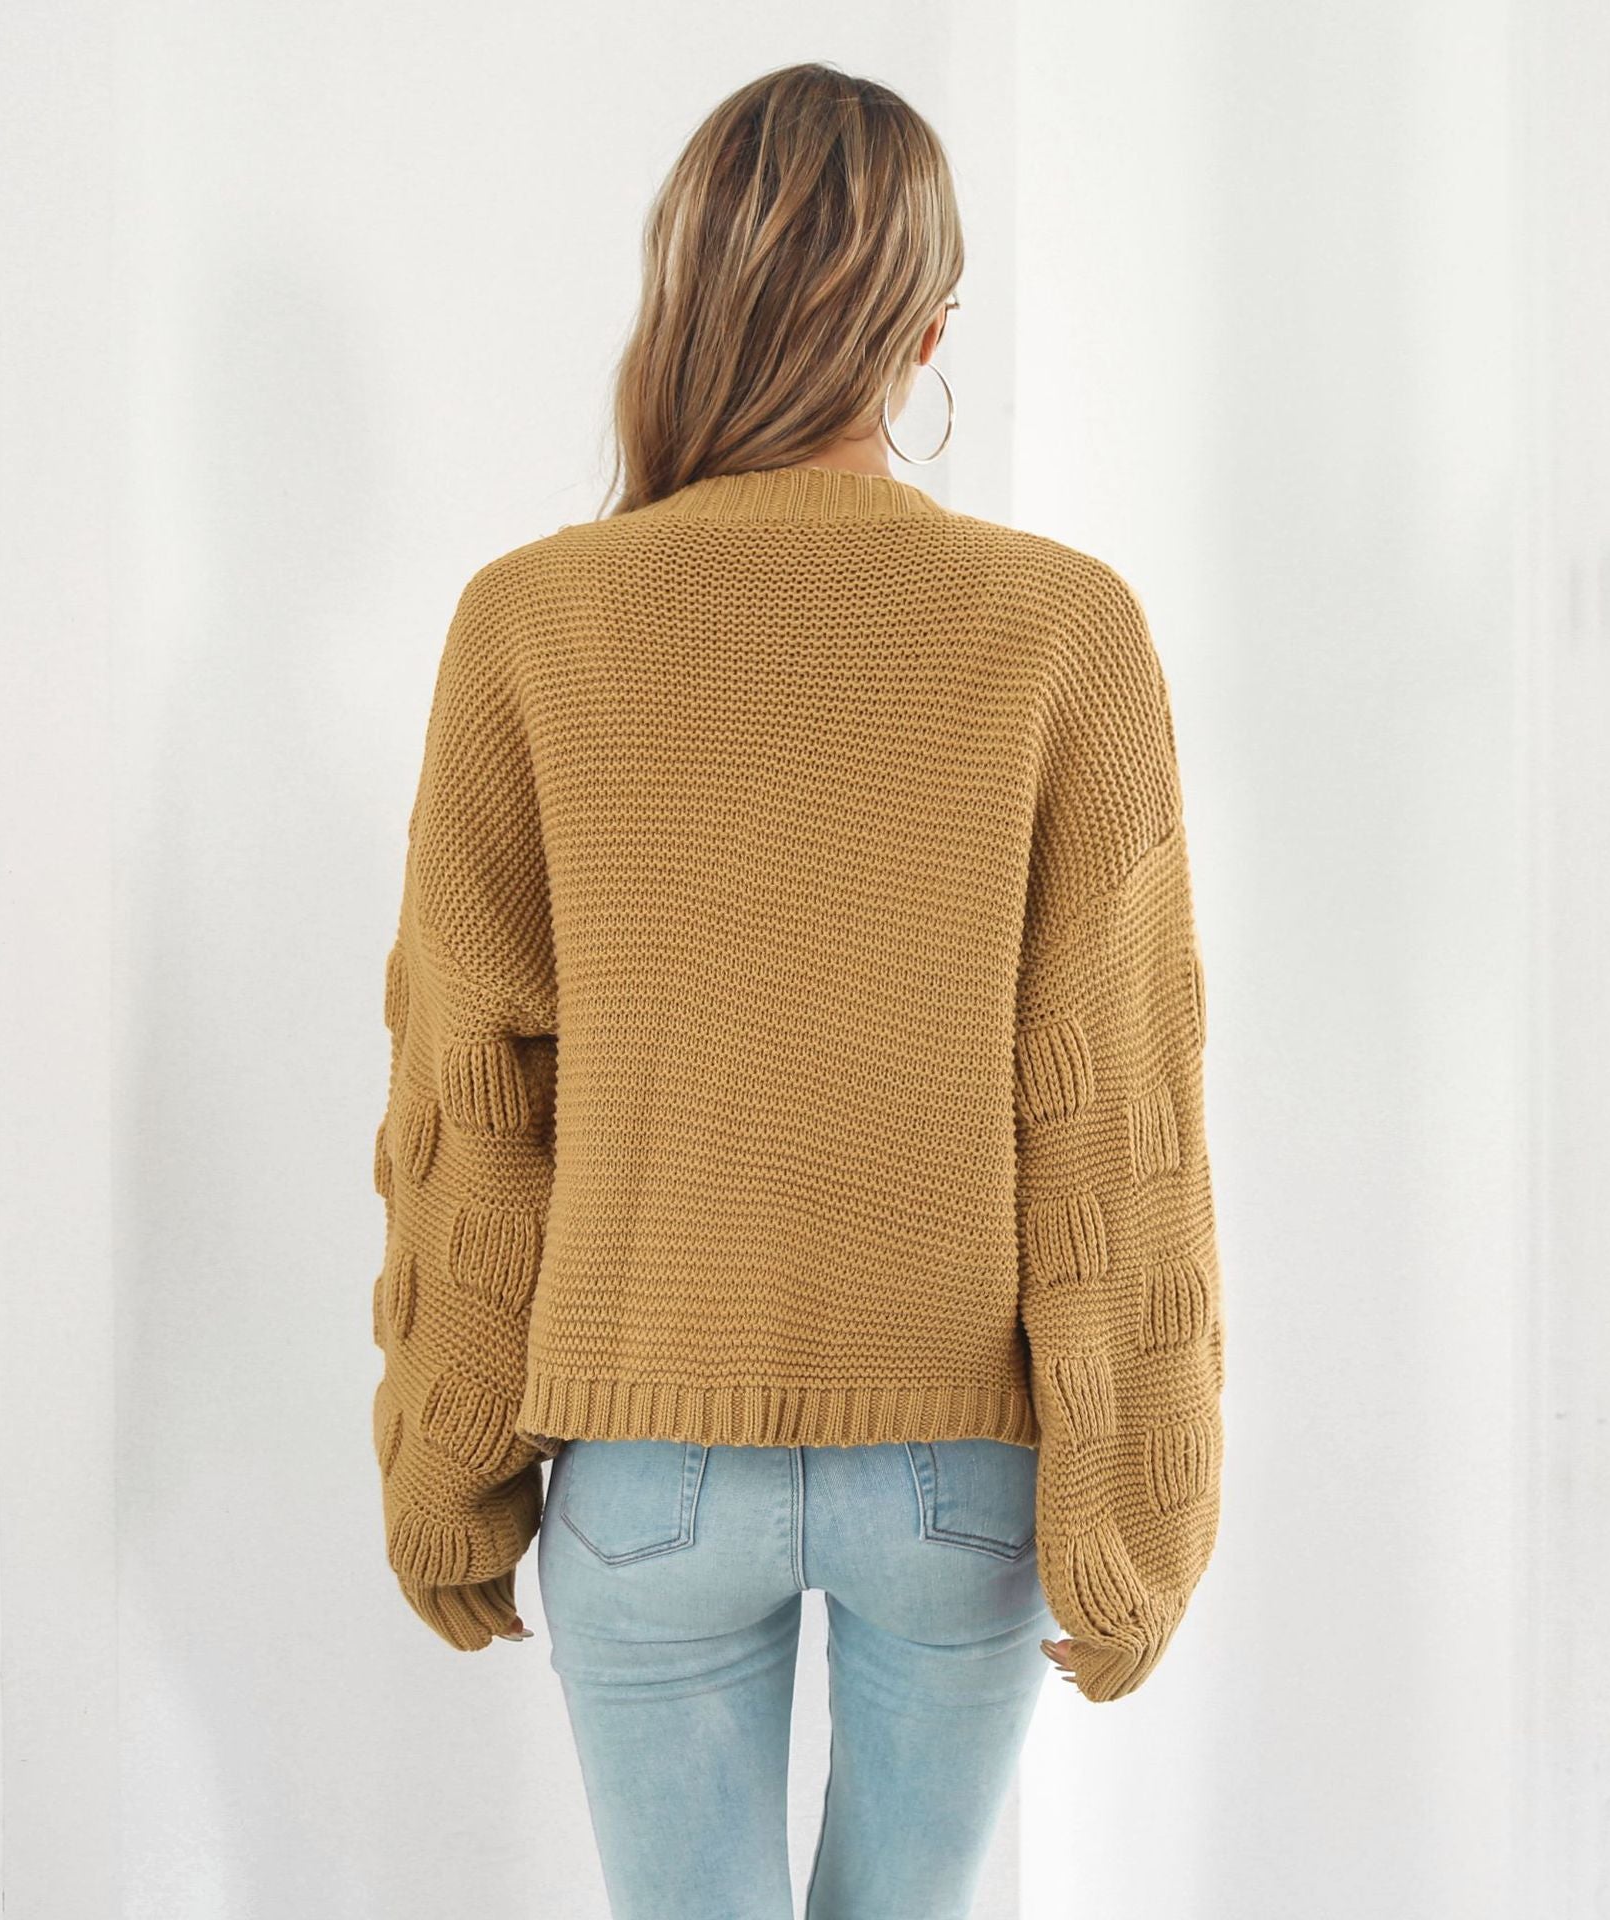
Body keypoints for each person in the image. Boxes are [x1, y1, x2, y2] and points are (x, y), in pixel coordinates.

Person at [365, 58, 1225, 1920]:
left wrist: (450, 1465)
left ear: (684, 289)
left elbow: (475, 1085)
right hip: (960, 1471)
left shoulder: (531, 621)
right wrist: (1134, 1511)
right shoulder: (1063, 626)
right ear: (930, 328)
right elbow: (1114, 1092)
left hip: (645, 1461)